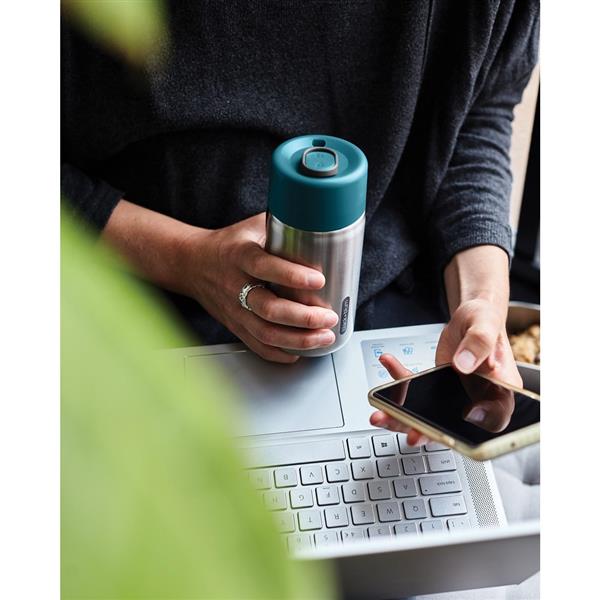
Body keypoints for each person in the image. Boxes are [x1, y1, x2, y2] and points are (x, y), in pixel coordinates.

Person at [62, 1, 539, 437]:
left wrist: (481, 305)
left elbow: (476, 114)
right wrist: (184, 259)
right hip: (121, 303)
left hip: (397, 327)